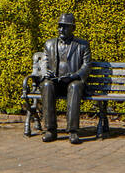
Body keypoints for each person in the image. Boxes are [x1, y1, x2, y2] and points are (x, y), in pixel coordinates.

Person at [38, 12, 91, 144]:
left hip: (73, 82)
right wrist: (46, 73)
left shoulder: (82, 45)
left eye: (65, 27)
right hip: (55, 83)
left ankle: (72, 131)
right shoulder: (49, 44)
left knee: (75, 86)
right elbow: (43, 63)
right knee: (46, 85)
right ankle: (50, 129)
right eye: (60, 26)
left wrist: (74, 76)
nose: (61, 29)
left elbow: (86, 66)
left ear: (73, 28)